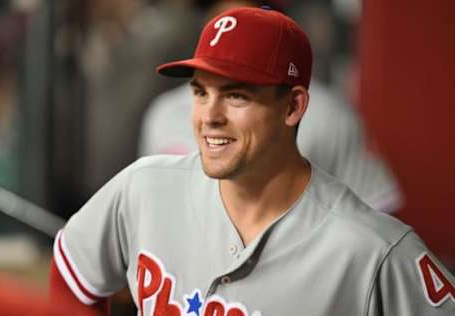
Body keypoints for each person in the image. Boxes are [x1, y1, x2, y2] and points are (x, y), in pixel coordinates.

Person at [50, 6, 455, 316]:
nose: (209, 116)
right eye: (200, 92)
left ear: (293, 106)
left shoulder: (374, 252)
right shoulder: (143, 187)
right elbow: (73, 272)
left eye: (236, 95)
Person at [139, 0, 401, 214]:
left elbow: (378, 215)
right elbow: (151, 208)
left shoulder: (327, 115)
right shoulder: (164, 112)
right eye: (217, 19)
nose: (225, 33)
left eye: (244, 24)